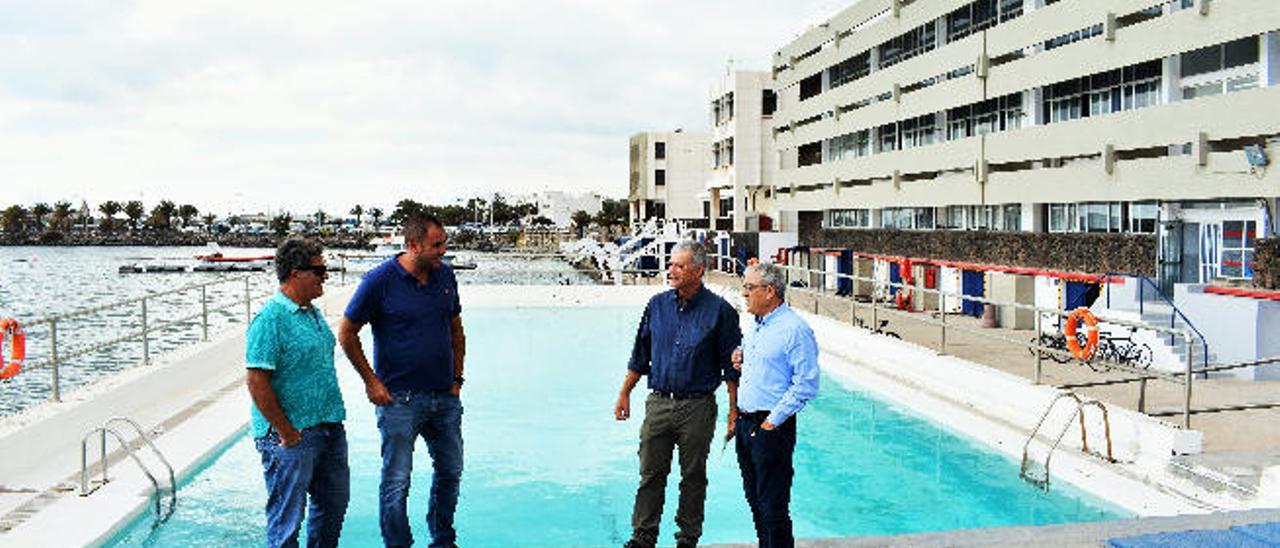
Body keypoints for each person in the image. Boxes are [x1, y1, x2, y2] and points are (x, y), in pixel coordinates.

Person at [338, 213, 466, 548]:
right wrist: (371, 381)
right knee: (397, 481)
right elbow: (347, 332)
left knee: (450, 472)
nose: (443, 250)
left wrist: (456, 379)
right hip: (399, 401)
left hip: (445, 398)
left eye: (444, 242)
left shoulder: (445, 276)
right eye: (436, 244)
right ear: (412, 245)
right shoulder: (378, 281)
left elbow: (456, 329)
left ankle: (443, 540)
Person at [614, 241, 742, 548]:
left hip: (697, 407)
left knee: (693, 476)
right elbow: (640, 354)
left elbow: (732, 367)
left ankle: (687, 538)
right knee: (650, 474)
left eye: (679, 266)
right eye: (671, 264)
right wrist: (624, 393)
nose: (671, 270)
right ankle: (643, 536)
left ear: (698, 271)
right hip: (658, 403)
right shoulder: (656, 305)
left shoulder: (721, 312)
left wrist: (733, 412)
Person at [246, 238, 349, 548]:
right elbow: (256, 380)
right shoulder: (271, 319)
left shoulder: (312, 313)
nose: (325, 276)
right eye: (319, 270)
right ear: (295, 273)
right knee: (286, 521)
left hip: (328, 428)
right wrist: (286, 431)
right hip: (291, 436)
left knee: (332, 509)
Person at [733, 262, 820, 548]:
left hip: (770, 427)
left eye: (749, 287)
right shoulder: (756, 326)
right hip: (746, 425)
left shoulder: (794, 329)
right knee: (756, 503)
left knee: (773, 508)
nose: (743, 293)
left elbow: (806, 384)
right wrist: (740, 355)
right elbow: (764, 363)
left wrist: (771, 422)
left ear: (769, 291)